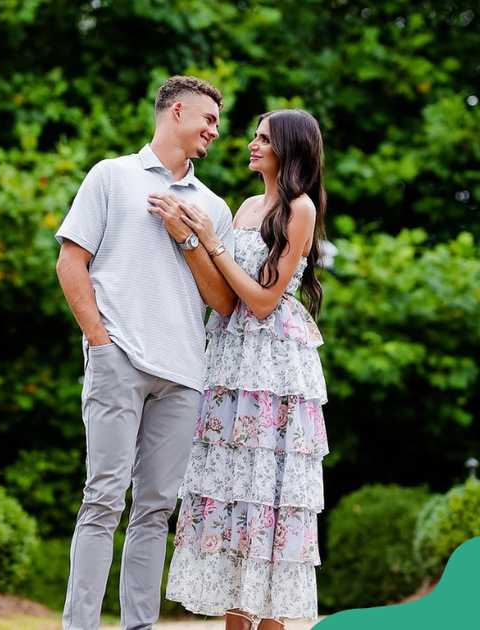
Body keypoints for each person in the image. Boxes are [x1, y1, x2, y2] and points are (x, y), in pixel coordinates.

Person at [54, 75, 237, 630]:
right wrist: (100, 342)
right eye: (207, 119)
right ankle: (80, 625)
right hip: (120, 360)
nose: (214, 131)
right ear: (176, 111)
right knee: (102, 499)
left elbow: (223, 302)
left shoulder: (212, 208)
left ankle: (139, 625)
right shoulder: (112, 176)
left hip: (184, 374)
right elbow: (70, 262)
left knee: (156, 509)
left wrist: (190, 237)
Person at [163, 109, 329, 630]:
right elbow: (227, 300)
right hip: (232, 361)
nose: (252, 145)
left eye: (263, 139)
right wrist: (189, 239)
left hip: (275, 364)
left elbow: (261, 300)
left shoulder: (298, 209)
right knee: (235, 492)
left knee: (270, 495)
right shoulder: (248, 205)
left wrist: (211, 244)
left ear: (288, 148)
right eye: (255, 137)